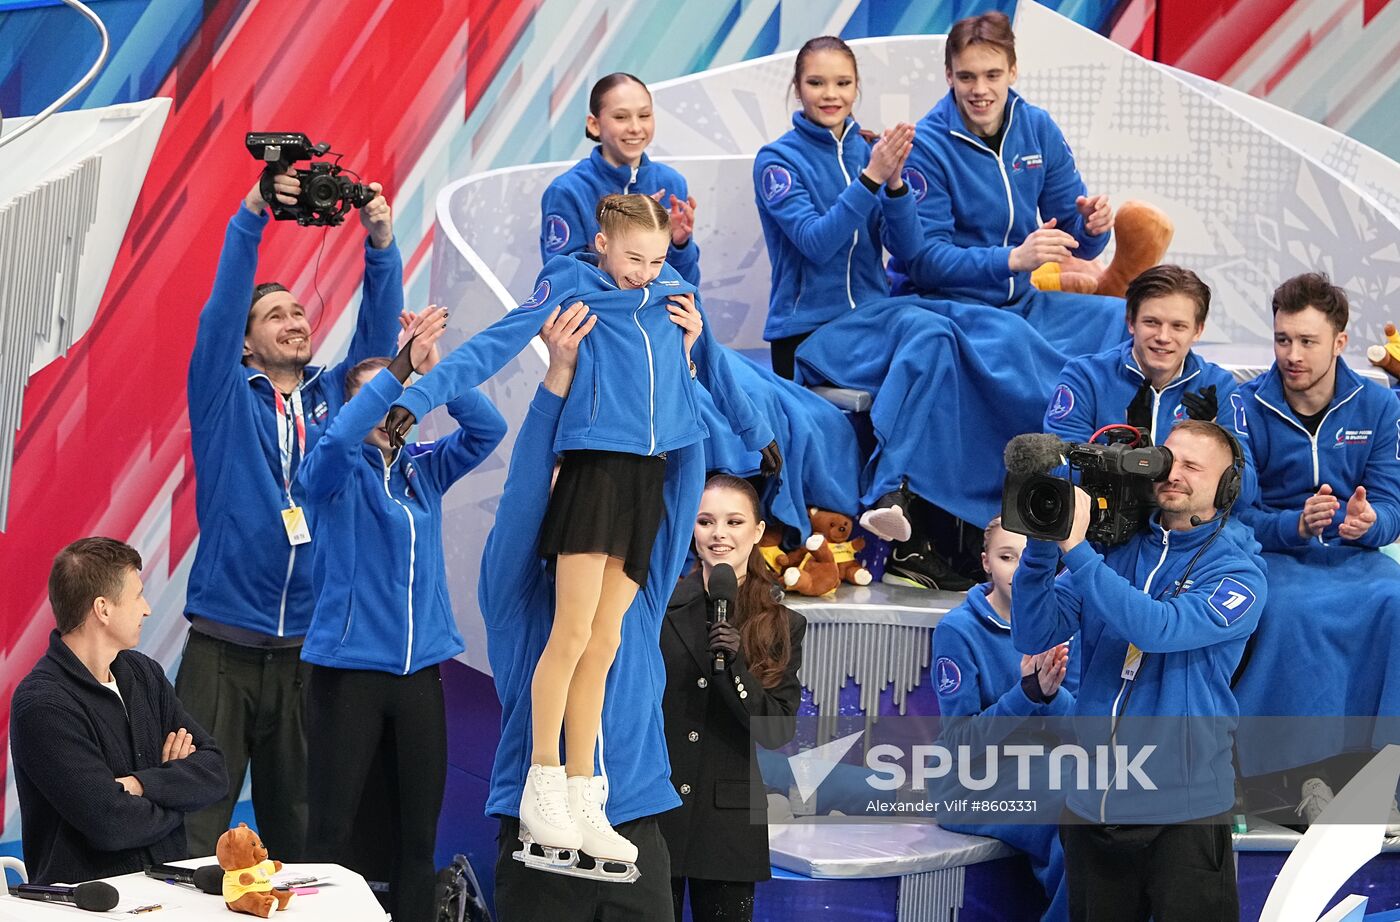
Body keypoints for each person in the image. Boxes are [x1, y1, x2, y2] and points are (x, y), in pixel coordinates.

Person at [387, 194, 776, 871]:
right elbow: (496, 343)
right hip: (593, 473)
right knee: (570, 633)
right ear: (601, 243)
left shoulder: (672, 292)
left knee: (605, 638)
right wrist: (412, 396)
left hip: (645, 485)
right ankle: (543, 780)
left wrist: (756, 431)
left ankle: (583, 791)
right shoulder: (572, 287)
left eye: (657, 260)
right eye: (633, 259)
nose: (644, 274)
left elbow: (710, 359)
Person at [178, 171, 402, 858]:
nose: (295, 320)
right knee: (194, 828)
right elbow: (219, 311)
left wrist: (381, 241)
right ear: (246, 344)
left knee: (305, 835)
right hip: (224, 648)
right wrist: (251, 215)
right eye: (275, 315)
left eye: (300, 313)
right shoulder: (224, 395)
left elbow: (376, 350)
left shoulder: (335, 399)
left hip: (311, 650)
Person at [483, 303, 697, 917]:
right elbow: (526, 487)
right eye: (571, 479)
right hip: (538, 839)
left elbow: (678, 483)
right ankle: (551, 786)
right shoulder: (517, 594)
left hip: (630, 822)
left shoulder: (642, 593)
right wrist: (558, 378)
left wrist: (676, 367)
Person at [294, 308, 505, 921]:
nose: (388, 406)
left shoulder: (421, 468)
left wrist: (435, 377)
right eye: (376, 395)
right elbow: (337, 438)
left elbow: (486, 430)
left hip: (419, 679)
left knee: (419, 845)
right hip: (347, 677)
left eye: (395, 396)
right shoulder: (331, 473)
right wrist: (397, 367)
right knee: (330, 842)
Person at [1011, 420, 1264, 919]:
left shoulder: (1239, 573)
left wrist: (1078, 551)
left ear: (1227, 485)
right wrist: (1044, 542)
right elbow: (1035, 634)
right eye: (1169, 460)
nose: (1176, 474)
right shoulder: (1117, 551)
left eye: (1193, 466)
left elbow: (1158, 630)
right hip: (1091, 810)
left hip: (1183, 815)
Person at [1231, 273, 1400, 831]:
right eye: (1283, 340)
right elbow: (1235, 513)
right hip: (1273, 554)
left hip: (1355, 557)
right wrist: (1293, 525)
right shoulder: (1245, 406)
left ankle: (1383, 771)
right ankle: (1300, 775)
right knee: (1288, 610)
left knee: (1394, 599)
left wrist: (1370, 524)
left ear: (1340, 342)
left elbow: (1392, 503)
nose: (1292, 355)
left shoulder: (1377, 405)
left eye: (1307, 341)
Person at [886, 11, 1125, 360]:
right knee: (1017, 346)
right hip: (946, 308)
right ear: (949, 75)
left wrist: (1093, 228)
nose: (979, 90)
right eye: (967, 76)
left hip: (1021, 303)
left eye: (992, 75)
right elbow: (925, 263)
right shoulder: (925, 145)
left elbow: (1077, 242)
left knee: (1124, 321)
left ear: (1012, 71)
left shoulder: (1037, 128)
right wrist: (1012, 259)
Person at [10, 538, 227, 885]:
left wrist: (140, 784)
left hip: (170, 892)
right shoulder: (43, 705)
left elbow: (215, 771)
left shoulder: (145, 674)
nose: (147, 608)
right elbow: (110, 823)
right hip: (88, 904)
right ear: (103, 609)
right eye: (138, 595)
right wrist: (176, 791)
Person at [660, 475, 807, 922]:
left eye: (733, 521)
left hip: (726, 822)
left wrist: (736, 666)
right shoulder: (656, 605)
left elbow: (776, 730)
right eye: (706, 521)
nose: (719, 533)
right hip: (655, 808)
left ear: (758, 532)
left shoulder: (783, 624)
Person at [752, 35, 920, 379]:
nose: (831, 94)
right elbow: (816, 244)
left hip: (871, 321)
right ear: (797, 88)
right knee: (928, 337)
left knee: (942, 335)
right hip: (805, 334)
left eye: (843, 83)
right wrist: (872, 178)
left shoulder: (869, 151)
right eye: (816, 83)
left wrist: (895, 184)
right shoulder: (777, 160)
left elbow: (909, 250)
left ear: (856, 87)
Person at [932, 518, 1072, 921]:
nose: (1021, 569)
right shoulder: (958, 629)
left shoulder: (1066, 624)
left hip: (1047, 768)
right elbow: (959, 743)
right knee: (1077, 812)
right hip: (969, 781)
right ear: (986, 563)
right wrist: (1027, 695)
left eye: (1032, 559)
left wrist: (1049, 694)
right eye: (1007, 557)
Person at [1043, 264, 1257, 505]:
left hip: (1184, 531)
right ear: (1131, 322)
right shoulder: (1085, 377)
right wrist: (1126, 456)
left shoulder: (1218, 385)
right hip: (1103, 529)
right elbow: (1056, 471)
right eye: (1152, 322)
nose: (1164, 337)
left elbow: (1245, 493)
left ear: (1198, 331)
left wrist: (1213, 440)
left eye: (1178, 326)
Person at [542, 73, 700, 285]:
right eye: (621, 117)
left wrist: (679, 245)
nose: (635, 127)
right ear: (594, 124)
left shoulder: (671, 183)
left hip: (655, 316)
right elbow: (563, 280)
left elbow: (687, 285)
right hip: (596, 316)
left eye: (644, 116)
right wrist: (628, 229)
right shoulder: (567, 191)